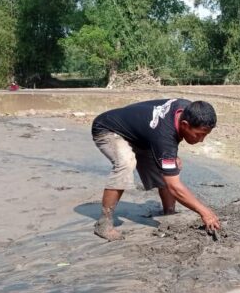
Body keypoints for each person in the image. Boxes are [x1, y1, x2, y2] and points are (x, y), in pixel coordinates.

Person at [91, 98, 221, 241]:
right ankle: (104, 223)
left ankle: (169, 213)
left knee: (169, 168)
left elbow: (164, 136)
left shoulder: (189, 109)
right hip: (108, 128)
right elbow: (174, 186)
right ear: (184, 124)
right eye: (199, 134)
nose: (201, 140)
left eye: (205, 135)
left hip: (143, 135)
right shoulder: (164, 135)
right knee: (125, 163)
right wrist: (205, 212)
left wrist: (171, 158)